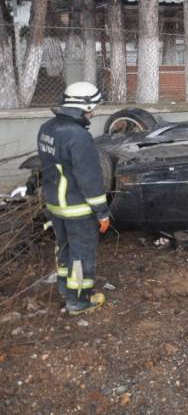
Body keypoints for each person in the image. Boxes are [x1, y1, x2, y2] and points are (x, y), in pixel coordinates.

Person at [38, 82, 111, 315]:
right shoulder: (79, 137)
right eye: (93, 107)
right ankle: (78, 301)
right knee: (81, 254)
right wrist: (102, 212)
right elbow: (89, 179)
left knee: (64, 247)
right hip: (77, 208)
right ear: (85, 106)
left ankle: (64, 288)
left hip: (55, 205)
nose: (94, 112)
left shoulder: (47, 128)